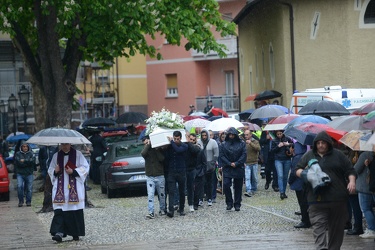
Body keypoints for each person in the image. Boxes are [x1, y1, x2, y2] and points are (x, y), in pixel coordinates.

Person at [296, 131, 356, 250]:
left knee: (336, 230)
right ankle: (321, 248)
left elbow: (350, 170)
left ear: (328, 143)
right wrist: (305, 174)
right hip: (316, 200)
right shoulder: (309, 155)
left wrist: (352, 182)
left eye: (323, 143)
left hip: (337, 199)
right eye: (318, 143)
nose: (321, 145)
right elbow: (297, 169)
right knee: (318, 227)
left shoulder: (338, 155)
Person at [48, 143, 90, 242]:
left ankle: (75, 233)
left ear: (70, 144)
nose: (64, 147)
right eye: (62, 145)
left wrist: (74, 171)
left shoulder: (78, 154)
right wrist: (55, 171)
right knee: (59, 209)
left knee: (74, 209)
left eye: (66, 144)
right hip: (60, 188)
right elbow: (50, 170)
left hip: (74, 186)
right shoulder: (56, 156)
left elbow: (85, 167)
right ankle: (59, 233)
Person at [220, 127, 247, 211]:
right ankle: (229, 202)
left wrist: (237, 163)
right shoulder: (223, 144)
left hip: (238, 167)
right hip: (228, 167)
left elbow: (244, 154)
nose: (231, 136)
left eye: (233, 135)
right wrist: (229, 163)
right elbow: (221, 155)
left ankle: (237, 203)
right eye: (230, 135)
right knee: (226, 184)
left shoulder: (241, 143)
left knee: (238, 186)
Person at [288, 140, 311, 229]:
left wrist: (290, 181)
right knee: (306, 202)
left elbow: (294, 172)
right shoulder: (306, 155)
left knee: (303, 203)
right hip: (305, 183)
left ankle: (305, 221)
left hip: (299, 183)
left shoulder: (297, 157)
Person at [141, 136, 166, 219]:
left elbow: (162, 159)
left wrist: (156, 148)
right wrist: (148, 145)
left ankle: (163, 209)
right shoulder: (146, 149)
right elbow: (143, 154)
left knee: (162, 194)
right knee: (150, 194)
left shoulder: (158, 149)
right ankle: (151, 211)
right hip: (150, 175)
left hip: (159, 175)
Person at [165, 131, 188, 217]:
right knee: (171, 191)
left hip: (181, 172)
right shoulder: (171, 146)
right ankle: (171, 210)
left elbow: (178, 150)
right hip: (172, 171)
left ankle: (181, 209)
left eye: (177, 139)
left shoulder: (184, 146)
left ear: (181, 138)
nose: (176, 140)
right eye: (174, 139)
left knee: (182, 191)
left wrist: (171, 142)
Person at [353, 150, 375, 239]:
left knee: (365, 208)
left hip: (364, 186)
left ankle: (371, 229)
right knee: (369, 208)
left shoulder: (365, 154)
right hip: (370, 186)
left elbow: (356, 169)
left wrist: (356, 162)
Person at [197, 129, 219, 206]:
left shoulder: (213, 142)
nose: (204, 137)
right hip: (201, 165)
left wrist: (212, 163)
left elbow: (216, 154)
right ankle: (200, 198)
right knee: (201, 183)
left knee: (209, 183)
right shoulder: (199, 142)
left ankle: (210, 198)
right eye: (202, 135)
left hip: (210, 165)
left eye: (205, 135)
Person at [271, 130, 293, 200]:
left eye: (280, 133)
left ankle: (284, 191)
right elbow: (272, 151)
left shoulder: (287, 139)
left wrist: (288, 144)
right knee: (280, 176)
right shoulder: (274, 141)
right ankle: (281, 192)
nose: (279, 135)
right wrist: (278, 146)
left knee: (285, 177)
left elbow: (293, 145)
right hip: (278, 159)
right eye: (278, 134)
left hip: (287, 159)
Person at [15, 142, 36, 207]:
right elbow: (18, 163)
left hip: (29, 173)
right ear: (21, 147)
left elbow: (32, 162)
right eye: (23, 146)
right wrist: (27, 161)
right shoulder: (18, 154)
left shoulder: (31, 154)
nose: (25, 148)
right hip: (20, 173)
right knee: (19, 186)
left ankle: (28, 201)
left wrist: (24, 161)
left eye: (26, 146)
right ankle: (21, 201)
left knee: (29, 188)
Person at [243, 129, 261, 197]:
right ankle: (249, 190)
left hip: (254, 162)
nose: (246, 136)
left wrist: (250, 143)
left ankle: (254, 188)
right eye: (245, 135)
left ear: (250, 135)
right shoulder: (243, 143)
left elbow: (258, 148)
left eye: (247, 135)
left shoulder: (255, 141)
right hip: (246, 163)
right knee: (247, 177)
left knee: (254, 177)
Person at [186, 133, 200, 212]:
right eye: (190, 139)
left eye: (193, 140)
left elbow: (194, 150)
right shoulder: (185, 146)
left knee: (191, 187)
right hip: (184, 169)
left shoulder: (196, 147)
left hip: (192, 169)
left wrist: (188, 142)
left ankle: (191, 204)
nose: (191, 141)